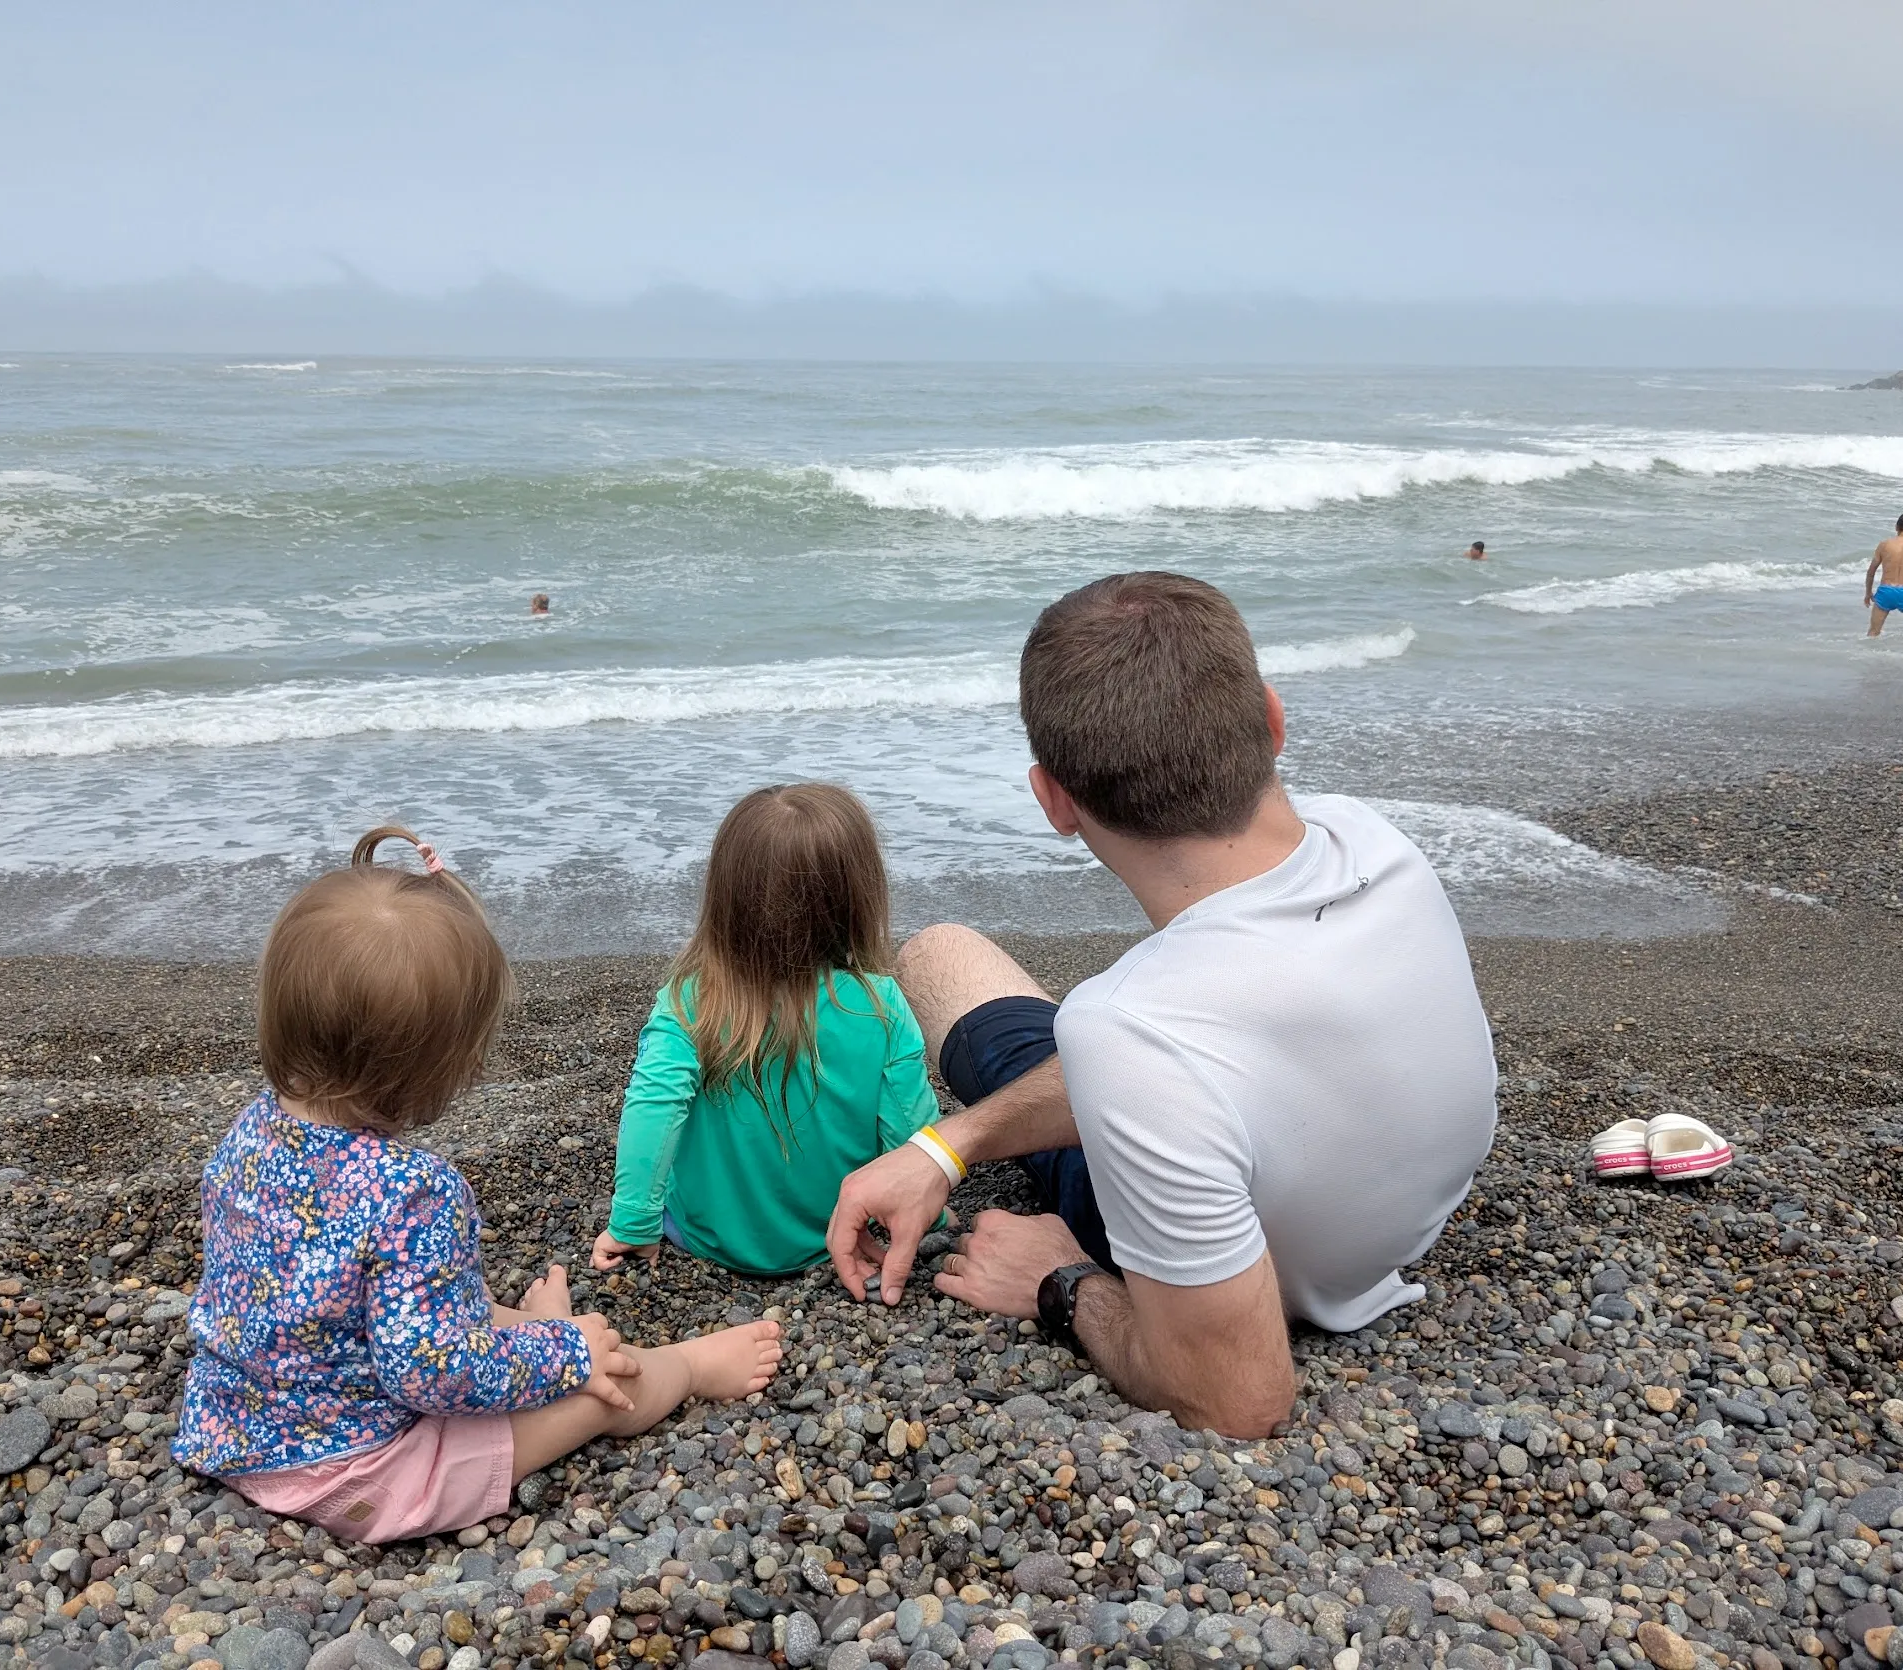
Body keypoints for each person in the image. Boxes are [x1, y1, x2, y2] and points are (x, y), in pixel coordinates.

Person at [826, 573, 1498, 1439]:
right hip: (1395, 1217)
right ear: (1272, 718)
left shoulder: (1128, 1032)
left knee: (940, 952)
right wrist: (950, 1143)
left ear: (1054, 801)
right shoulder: (1373, 839)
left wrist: (1060, 1283)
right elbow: (1193, 1056)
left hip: (1234, 1281)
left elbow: (1242, 1402)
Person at [172, 826, 782, 1543]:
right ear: (442, 1066)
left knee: (462, 1318)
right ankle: (685, 1367)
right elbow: (431, 1375)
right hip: (358, 1474)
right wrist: (567, 1358)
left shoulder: (250, 1131)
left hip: (230, 1423)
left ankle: (552, 1330)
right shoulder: (415, 1192)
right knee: (608, 1385)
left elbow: (302, 1290)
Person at [593, 784, 941, 1276]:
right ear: (858, 894)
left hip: (705, 1236)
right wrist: (932, 1212)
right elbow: (908, 1126)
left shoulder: (691, 998)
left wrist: (632, 1224)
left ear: (725, 894)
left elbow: (655, 1102)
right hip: (837, 1233)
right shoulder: (880, 1004)